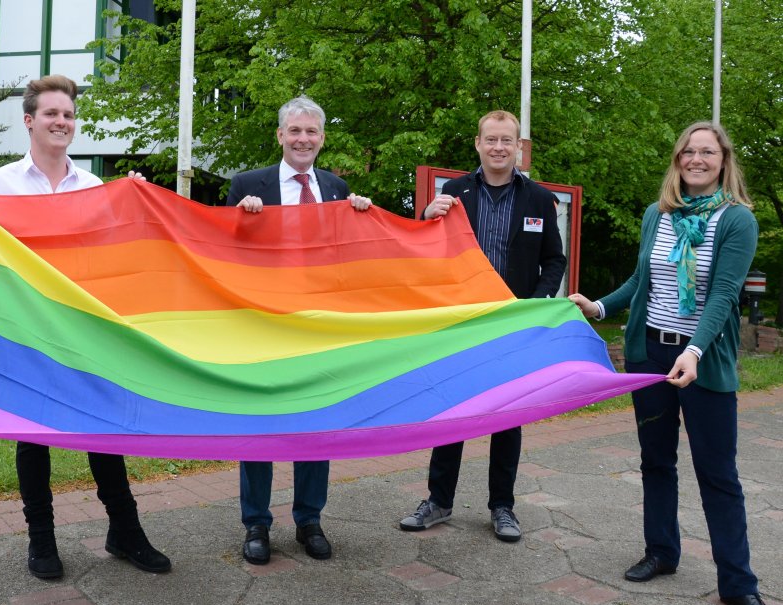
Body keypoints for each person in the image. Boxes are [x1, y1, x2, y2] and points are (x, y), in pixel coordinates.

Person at [569, 122, 778, 605]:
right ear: (678, 159)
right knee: (655, 461)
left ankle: (738, 583)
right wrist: (597, 307)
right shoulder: (657, 215)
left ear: (723, 161)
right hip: (651, 357)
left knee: (718, 473)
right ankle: (662, 552)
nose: (697, 159)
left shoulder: (736, 220)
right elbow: (642, 279)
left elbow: (725, 296)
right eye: (689, 151)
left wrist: (696, 349)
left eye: (708, 151)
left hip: (701, 360)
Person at [0, 75, 170, 579]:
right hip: (28, 333)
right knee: (33, 437)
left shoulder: (95, 188)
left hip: (85, 333)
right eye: (51, 114)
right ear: (29, 121)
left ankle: (125, 532)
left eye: (68, 115)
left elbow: (116, 258)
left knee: (101, 430)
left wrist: (139, 206)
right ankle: (41, 541)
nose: (62, 122)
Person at [398, 110, 565, 543]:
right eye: (491, 140)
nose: (498, 148)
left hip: (512, 327)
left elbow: (554, 261)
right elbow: (424, 252)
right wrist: (425, 218)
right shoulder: (455, 193)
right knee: (452, 413)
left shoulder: (538, 200)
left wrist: (535, 304)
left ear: (518, 147)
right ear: (478, 143)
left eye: (506, 141)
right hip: (462, 323)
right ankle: (438, 501)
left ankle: (502, 507)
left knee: (508, 417)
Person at [226, 96, 373, 564]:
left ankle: (309, 519)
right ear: (280, 136)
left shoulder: (337, 188)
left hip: (318, 328)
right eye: (295, 131)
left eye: (311, 132)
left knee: (316, 424)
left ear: (322, 138)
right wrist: (240, 221)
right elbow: (223, 256)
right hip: (263, 326)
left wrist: (364, 217)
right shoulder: (248, 186)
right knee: (261, 424)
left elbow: (352, 260)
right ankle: (256, 523)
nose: (303, 139)